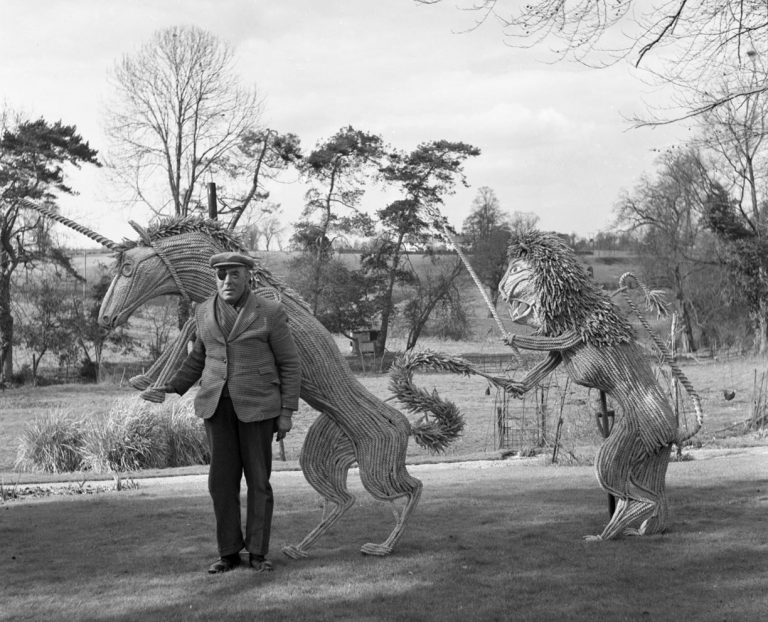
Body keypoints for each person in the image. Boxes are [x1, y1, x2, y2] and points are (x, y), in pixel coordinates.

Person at [162, 251, 301, 574]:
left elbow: (290, 364)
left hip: (259, 409)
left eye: (234, 274)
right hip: (216, 408)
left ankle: (257, 552)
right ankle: (228, 553)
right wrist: (172, 386)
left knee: (258, 482)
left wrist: (286, 413)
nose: (227, 280)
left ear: (247, 276)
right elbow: (199, 357)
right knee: (221, 484)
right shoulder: (203, 311)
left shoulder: (269, 312)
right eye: (221, 275)